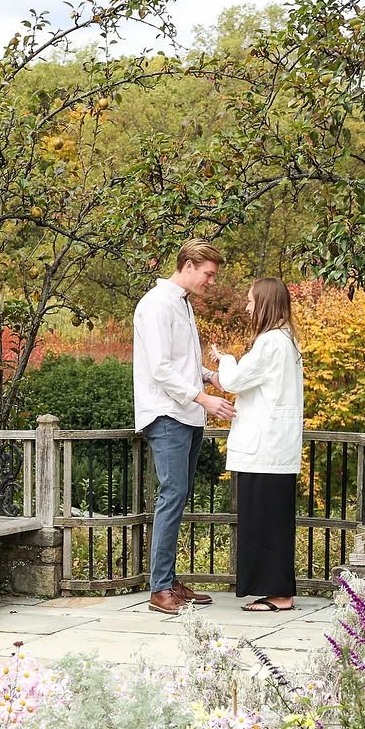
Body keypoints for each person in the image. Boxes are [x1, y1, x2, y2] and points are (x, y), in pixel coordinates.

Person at [134, 238, 232, 615]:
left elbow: (182, 362)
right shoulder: (157, 305)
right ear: (188, 265)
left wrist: (211, 376)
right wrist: (204, 398)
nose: (211, 281)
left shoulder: (182, 305)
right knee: (172, 495)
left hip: (187, 414)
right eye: (208, 274)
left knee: (179, 496)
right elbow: (160, 369)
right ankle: (159, 589)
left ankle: (170, 580)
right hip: (167, 415)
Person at [216, 278, 304, 611]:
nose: (248, 307)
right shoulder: (287, 341)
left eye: (251, 301)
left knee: (265, 523)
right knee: (274, 521)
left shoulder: (269, 344)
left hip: (265, 450)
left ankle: (279, 594)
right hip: (276, 449)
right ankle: (279, 591)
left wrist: (224, 358)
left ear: (265, 303)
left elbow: (233, 380)